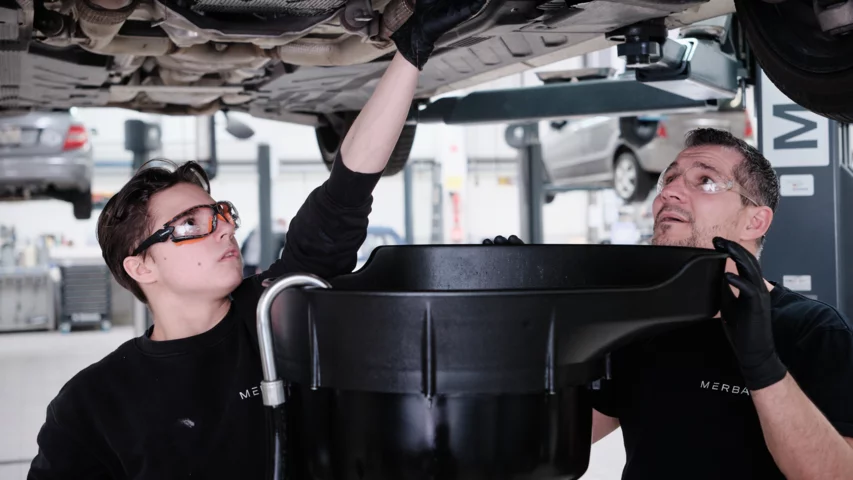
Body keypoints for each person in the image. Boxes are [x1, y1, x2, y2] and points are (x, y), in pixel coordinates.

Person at [26, 1, 486, 478]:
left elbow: (344, 193)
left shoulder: (277, 313)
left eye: (219, 213)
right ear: (141, 266)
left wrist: (411, 51)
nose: (224, 227)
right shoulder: (94, 403)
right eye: (190, 224)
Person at [489, 128, 853, 479]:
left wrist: (764, 368)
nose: (670, 193)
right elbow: (542, 449)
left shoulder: (813, 331)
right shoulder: (640, 327)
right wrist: (524, 327)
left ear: (755, 220)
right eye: (669, 180)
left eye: (706, 181)